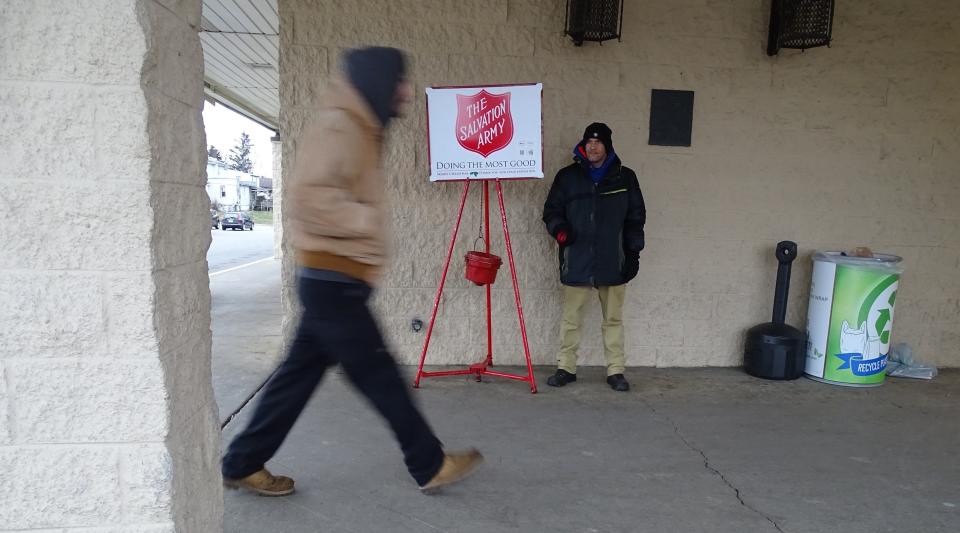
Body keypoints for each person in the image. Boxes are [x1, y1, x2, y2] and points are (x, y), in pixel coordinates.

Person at [221, 47, 482, 496]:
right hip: (333, 281)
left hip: (333, 280)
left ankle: (242, 461)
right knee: (381, 377)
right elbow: (308, 197)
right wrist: (365, 220)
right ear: (376, 80)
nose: (405, 91)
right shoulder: (340, 125)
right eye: (399, 81)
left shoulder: (360, 127)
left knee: (296, 378)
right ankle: (429, 462)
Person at [542, 122, 646, 392]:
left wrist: (633, 254)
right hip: (576, 257)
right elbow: (551, 211)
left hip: (614, 260)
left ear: (607, 145)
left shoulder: (626, 178)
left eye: (598, 142)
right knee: (571, 319)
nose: (592, 146)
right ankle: (566, 367)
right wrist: (561, 232)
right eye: (588, 141)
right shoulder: (568, 177)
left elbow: (635, 219)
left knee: (613, 319)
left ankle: (616, 371)